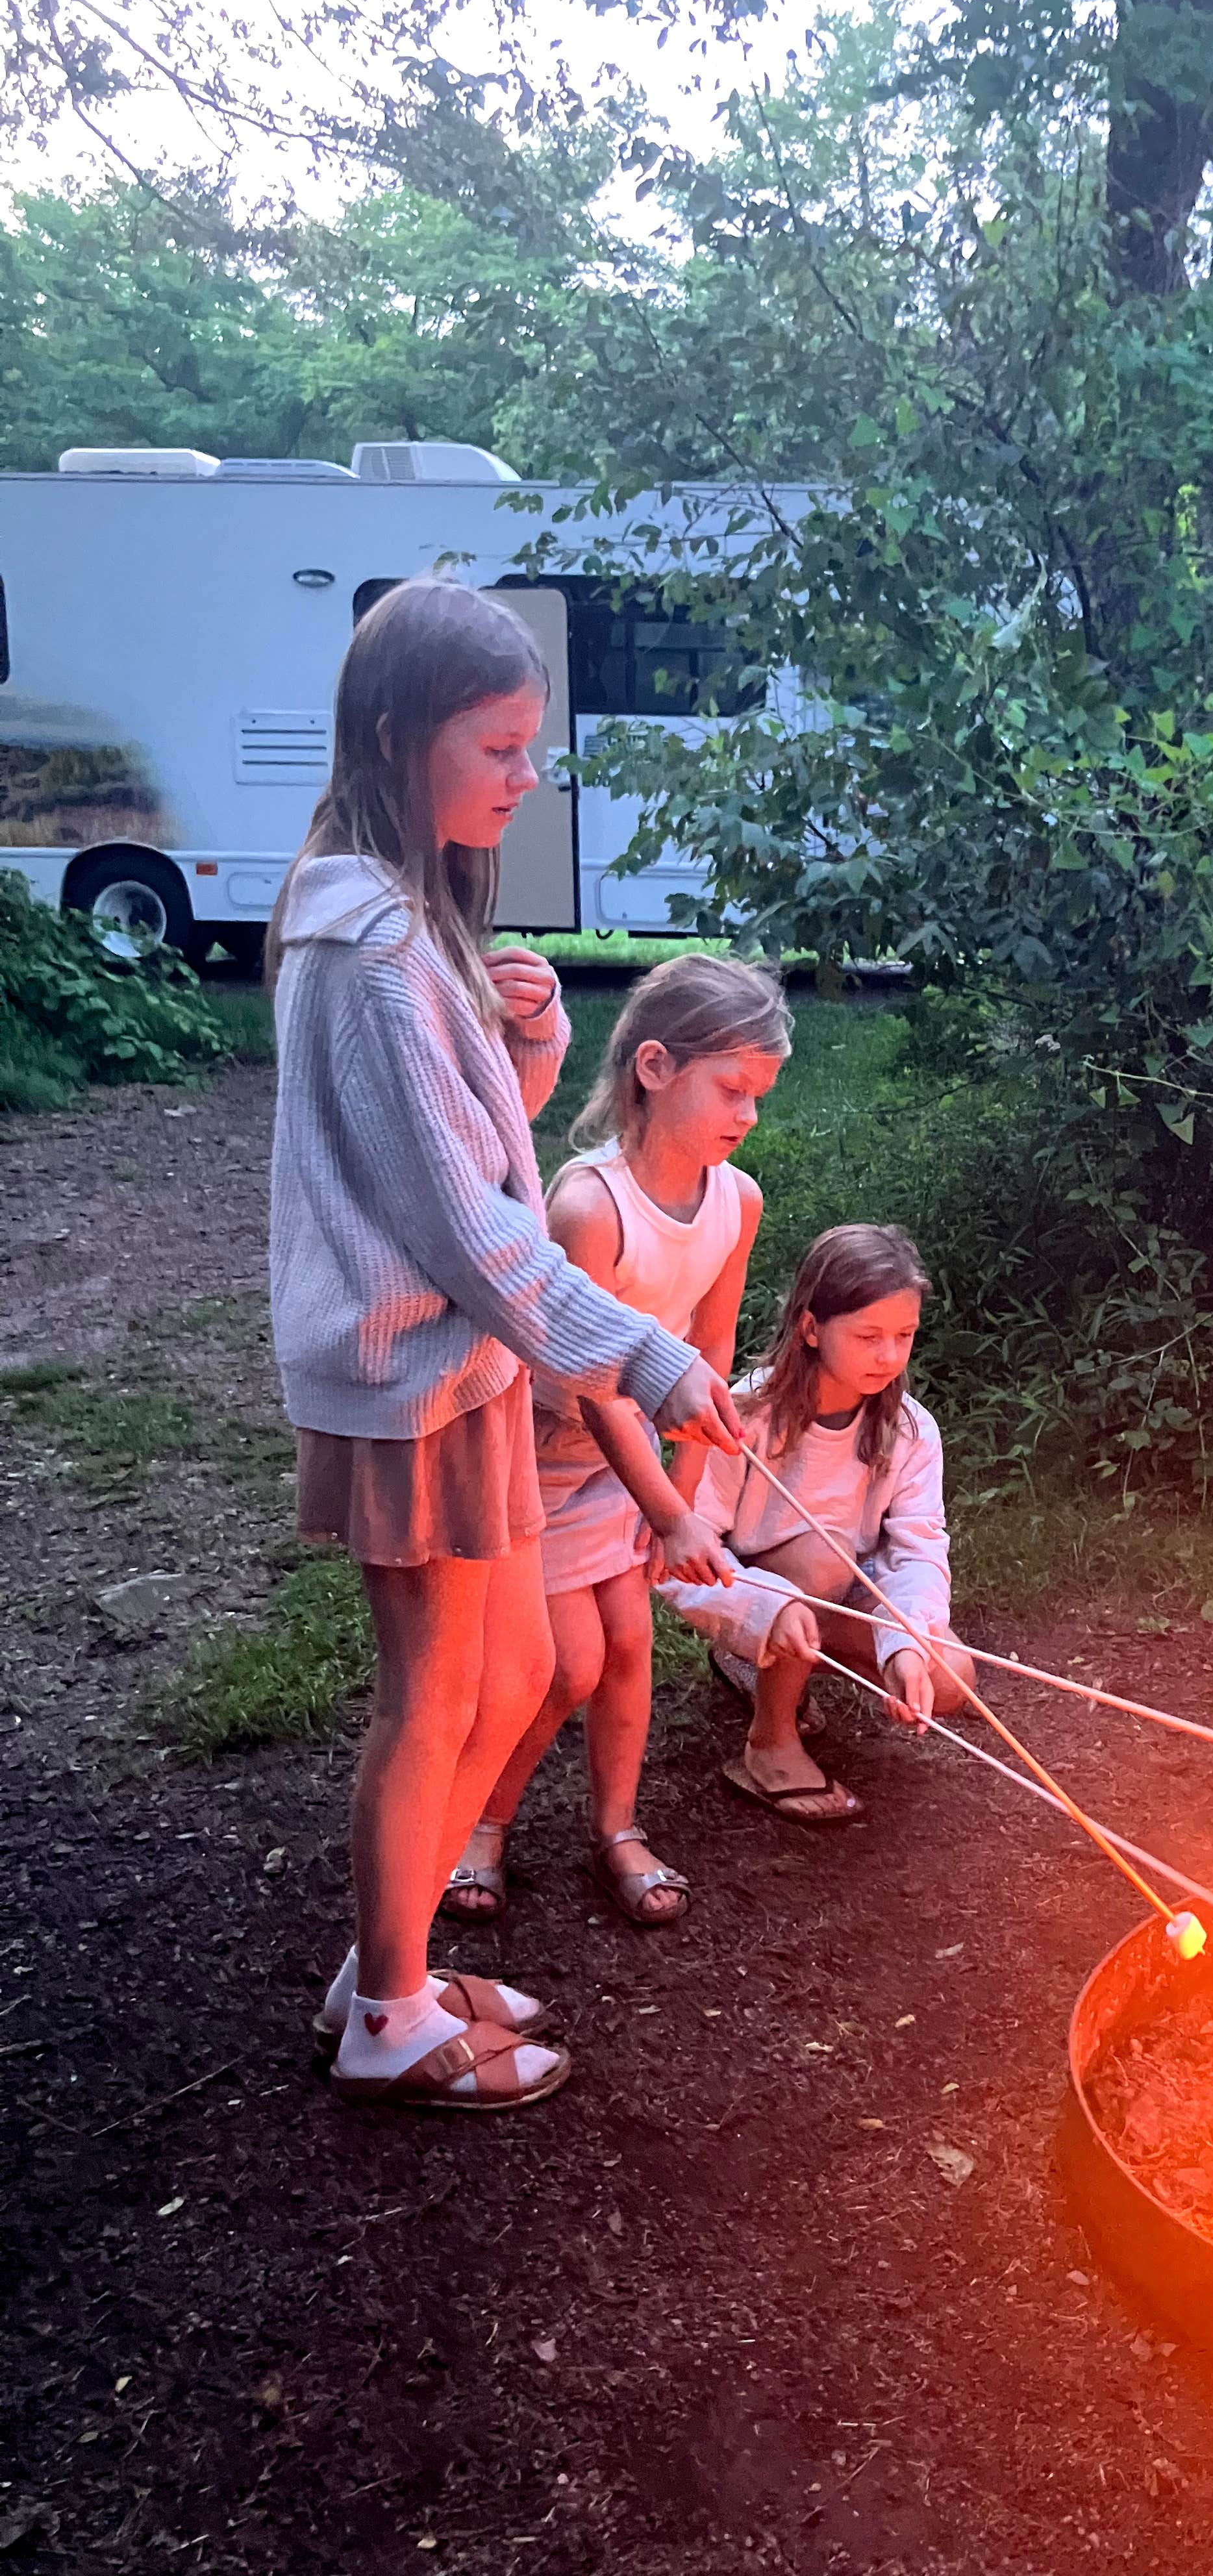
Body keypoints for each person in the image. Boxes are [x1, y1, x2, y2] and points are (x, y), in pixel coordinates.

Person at [267, 576, 740, 2113]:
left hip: (464, 1366)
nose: (525, 781)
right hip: (406, 1384)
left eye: (535, 749)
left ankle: (383, 1951)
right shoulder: (369, 947)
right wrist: (658, 1362)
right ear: (401, 738)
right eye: (500, 749)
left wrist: (525, 1053)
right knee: (440, 1697)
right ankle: (390, 2015)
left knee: (527, 1659)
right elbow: (471, 1238)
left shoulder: (415, 930)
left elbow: (471, 1175)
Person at [444, 953, 791, 1929]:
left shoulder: (738, 1200)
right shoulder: (589, 1206)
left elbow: (709, 1351)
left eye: (759, 1096)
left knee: (630, 1644)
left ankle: (616, 1828)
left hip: (634, 1469)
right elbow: (592, 1380)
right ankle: (480, 1827)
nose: (747, 1117)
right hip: (546, 1456)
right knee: (564, 1667)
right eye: (731, 1090)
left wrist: (683, 1504)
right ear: (652, 1067)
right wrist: (669, 1509)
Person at [662, 1223, 975, 1826]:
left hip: (842, 1595)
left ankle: (768, 1663)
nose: (889, 1356)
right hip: (749, 1589)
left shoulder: (910, 1430)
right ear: (810, 1328)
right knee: (820, 1558)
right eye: (868, 1336)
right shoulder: (744, 1418)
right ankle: (769, 1742)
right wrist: (761, 1611)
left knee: (951, 1678)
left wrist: (905, 1642)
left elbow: (918, 1551)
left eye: (904, 1336)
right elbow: (678, 1559)